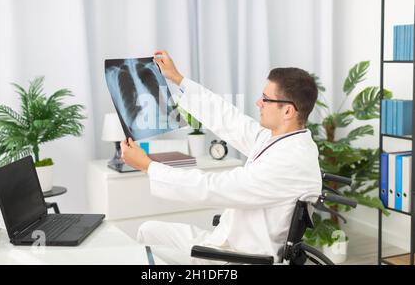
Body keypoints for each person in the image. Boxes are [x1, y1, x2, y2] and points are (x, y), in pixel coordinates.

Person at [120, 50, 321, 264]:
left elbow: (211, 187)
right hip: (226, 241)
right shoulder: (281, 140)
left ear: (288, 111)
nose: (258, 103)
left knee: (144, 254)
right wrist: (177, 78)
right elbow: (229, 119)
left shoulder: (289, 162)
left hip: (238, 258)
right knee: (147, 230)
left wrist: (149, 167)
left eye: (265, 99)